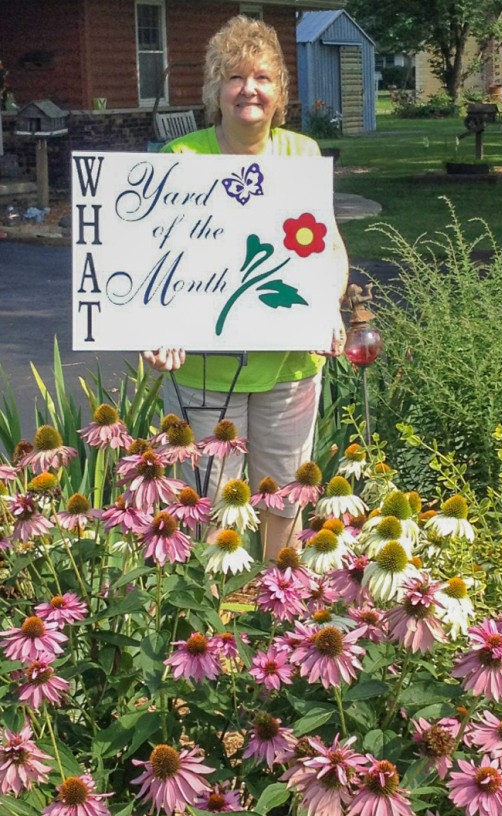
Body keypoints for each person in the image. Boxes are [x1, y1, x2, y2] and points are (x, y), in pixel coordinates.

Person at [143, 15, 349, 560]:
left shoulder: (301, 155)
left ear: (279, 89)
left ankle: (278, 612)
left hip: (290, 365)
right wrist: (156, 325)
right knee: (207, 501)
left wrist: (328, 307)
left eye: (261, 77)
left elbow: (328, 248)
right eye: (234, 77)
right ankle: (209, 628)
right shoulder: (182, 159)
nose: (248, 89)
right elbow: (155, 262)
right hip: (202, 371)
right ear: (216, 89)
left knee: (282, 498)